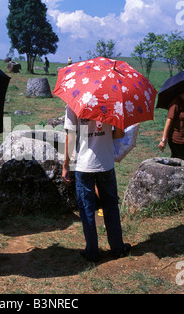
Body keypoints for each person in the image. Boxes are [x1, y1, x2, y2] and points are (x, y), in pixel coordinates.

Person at [62, 107, 131, 262]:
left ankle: (92, 252)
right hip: (106, 164)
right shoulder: (112, 102)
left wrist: (66, 165)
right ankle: (117, 248)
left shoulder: (74, 103)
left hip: (83, 165)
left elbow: (71, 137)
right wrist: (104, 135)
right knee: (111, 207)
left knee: (86, 210)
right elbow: (120, 133)